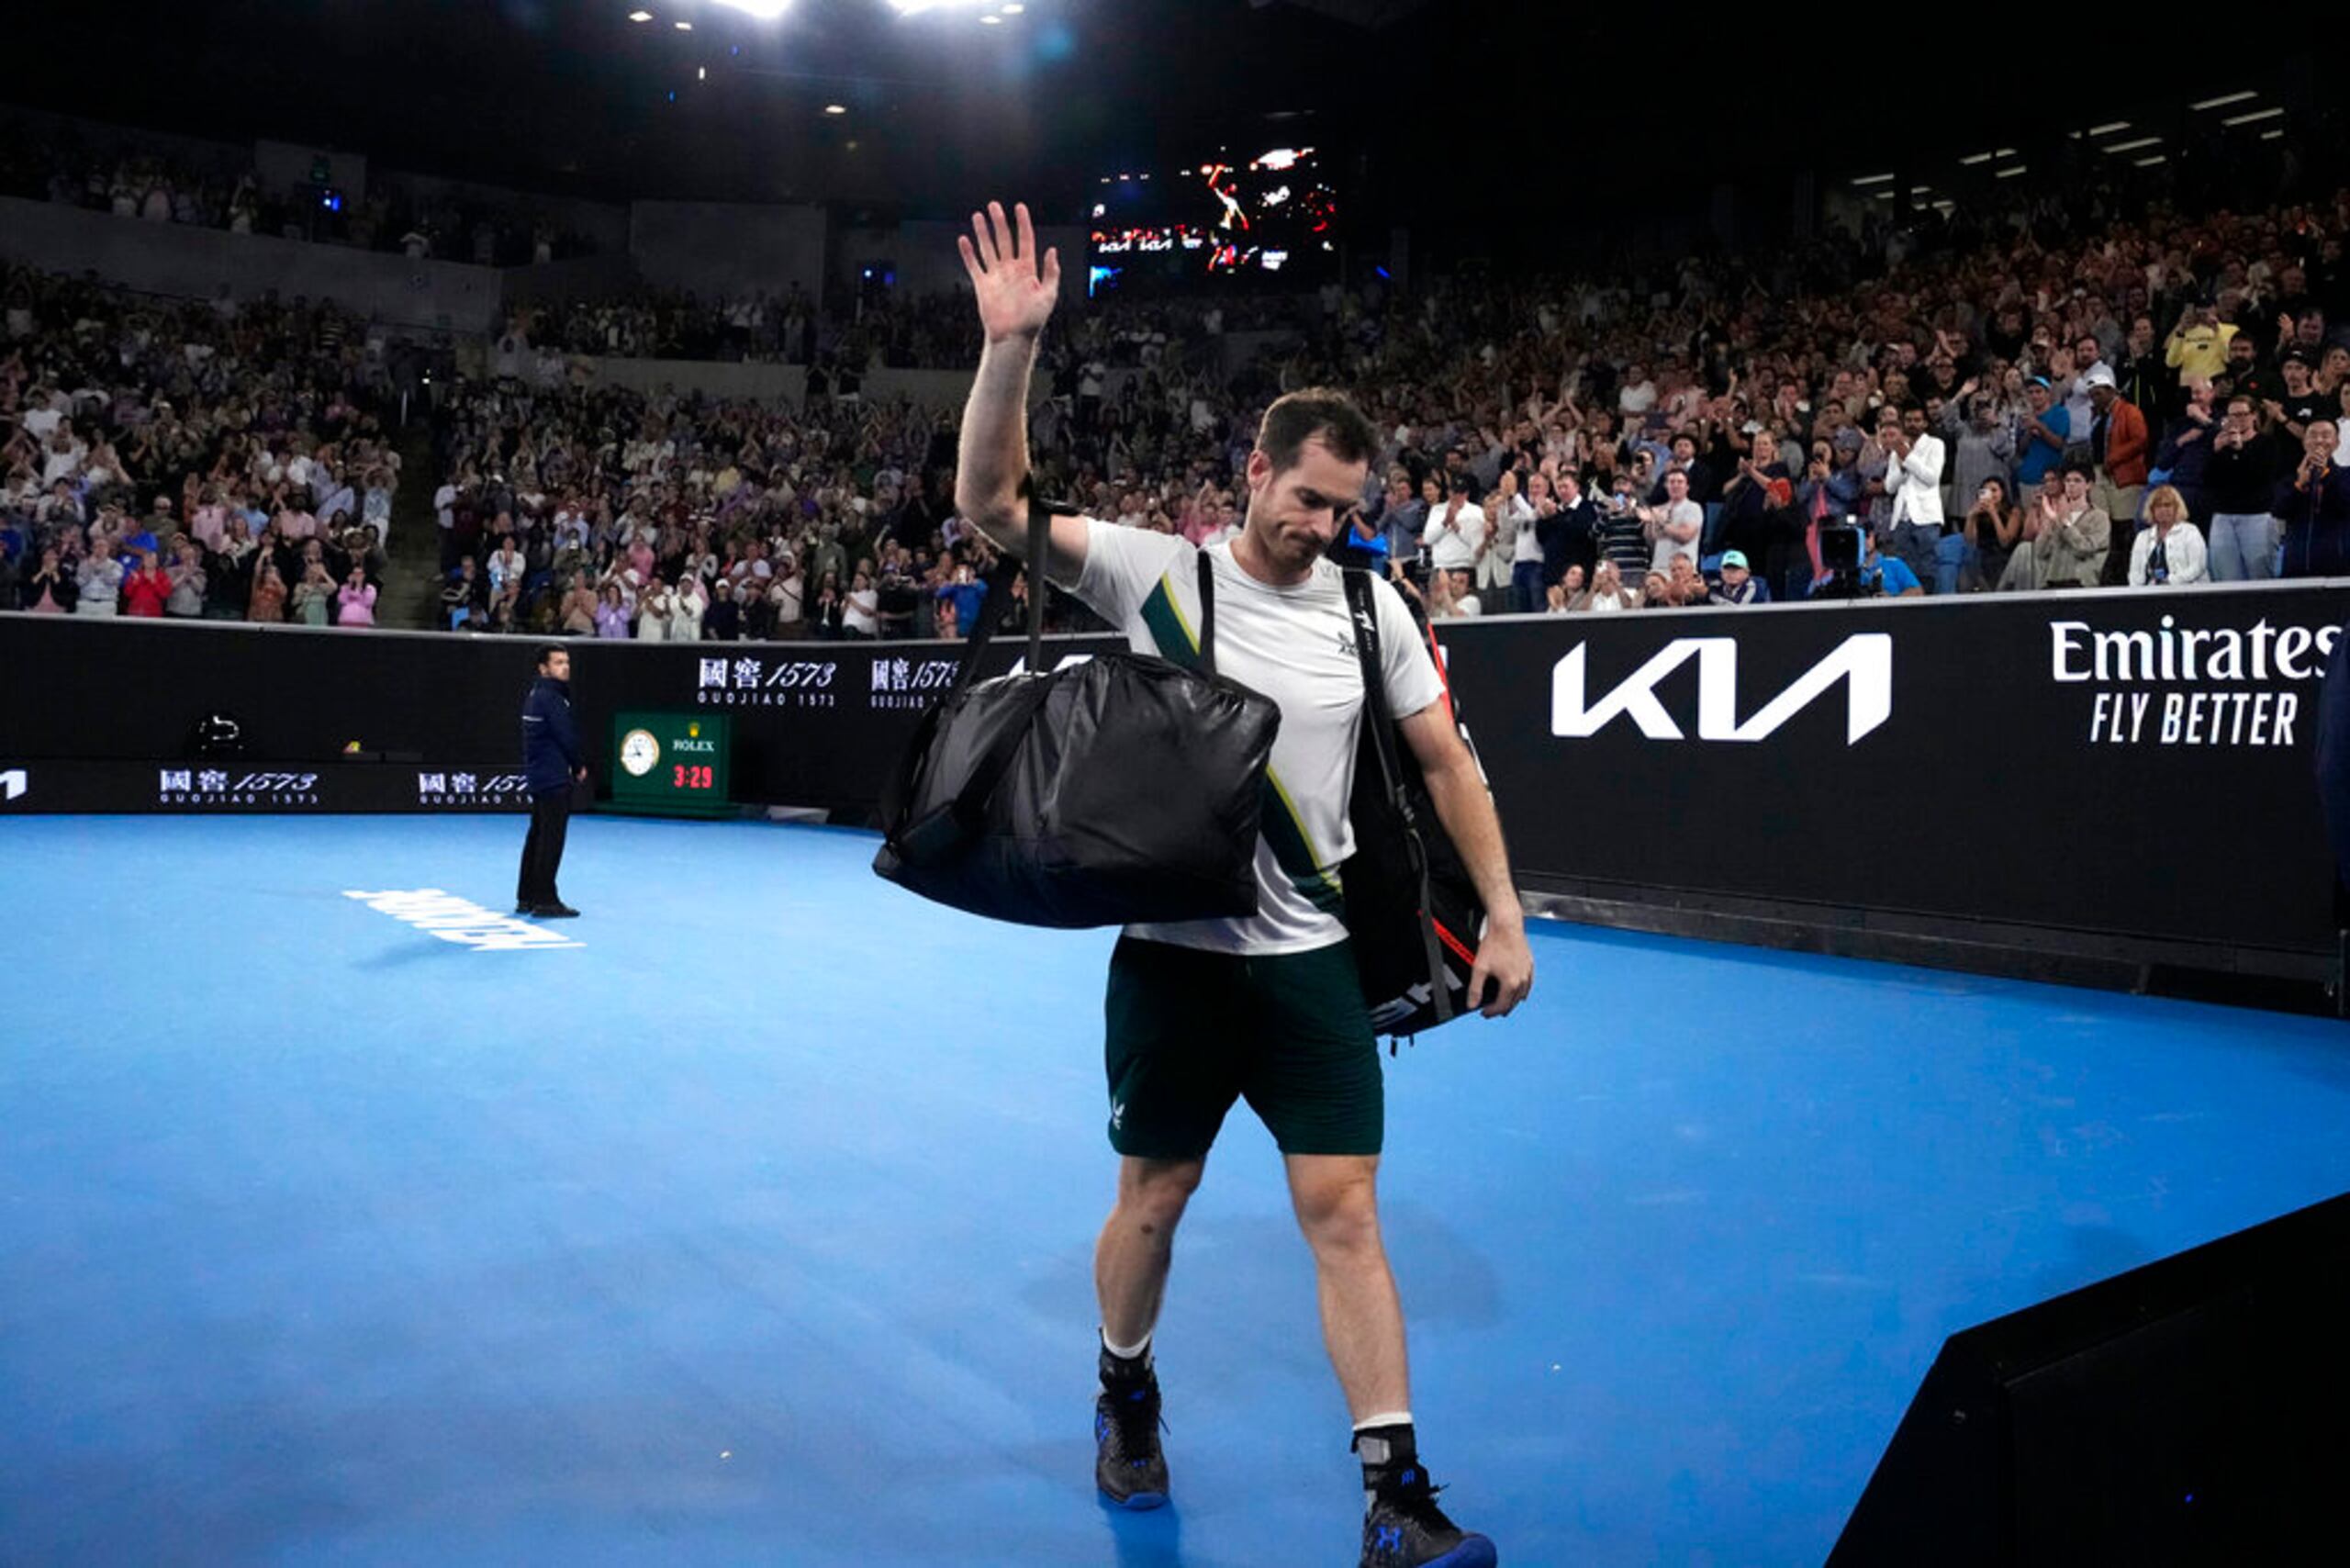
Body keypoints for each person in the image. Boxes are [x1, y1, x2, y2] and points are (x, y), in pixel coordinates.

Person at [955, 199, 1530, 1568]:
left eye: (1345, 509)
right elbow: (993, 506)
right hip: (1171, 961)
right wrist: (1010, 351)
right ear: (1252, 473)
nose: (1322, 526)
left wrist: (1504, 911)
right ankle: (1125, 1389)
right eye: (1306, 498)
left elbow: (1446, 766)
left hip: (1311, 967)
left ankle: (1395, 1492)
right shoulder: (1160, 579)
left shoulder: (1369, 608)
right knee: (1153, 1202)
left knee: (1345, 1211)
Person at [517, 644, 585, 919]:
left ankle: (527, 896)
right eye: (558, 662)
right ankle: (546, 900)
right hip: (553, 777)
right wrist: (578, 765)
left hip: (539, 775)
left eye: (566, 661)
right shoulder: (551, 698)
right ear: (543, 668)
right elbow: (565, 735)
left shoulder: (536, 695)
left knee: (537, 836)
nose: (565, 666)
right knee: (550, 839)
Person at [2129, 486, 2209, 587]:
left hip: (2187, 591)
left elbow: (2198, 566)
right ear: (2152, 510)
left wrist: (2170, 582)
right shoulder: (2142, 537)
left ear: (2176, 508)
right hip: (2151, 593)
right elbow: (2135, 572)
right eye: (2158, 506)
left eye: (2167, 505)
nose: (2163, 510)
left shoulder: (2190, 531)